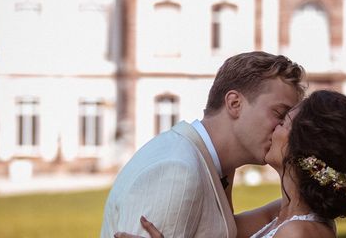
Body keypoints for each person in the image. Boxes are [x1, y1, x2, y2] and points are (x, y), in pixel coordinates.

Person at [100, 51, 306, 238]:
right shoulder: (177, 170)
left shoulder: (213, 167)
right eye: (279, 114)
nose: (284, 130)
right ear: (234, 103)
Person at [116, 90, 346, 238]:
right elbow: (227, 231)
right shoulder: (285, 211)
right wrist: (230, 148)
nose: (275, 126)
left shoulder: (298, 233)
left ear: (302, 147)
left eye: (284, 122)